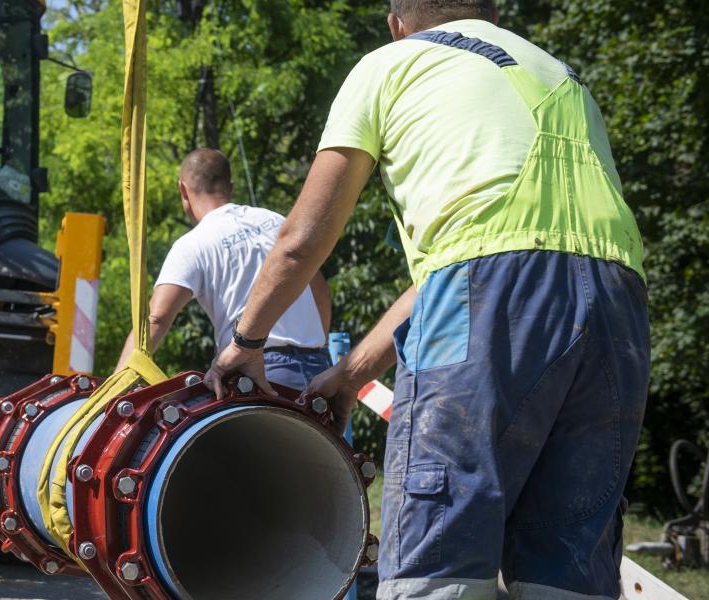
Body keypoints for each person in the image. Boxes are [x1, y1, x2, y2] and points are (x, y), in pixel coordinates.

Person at [205, 1, 649, 599]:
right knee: (567, 563)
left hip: (490, 293)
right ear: (491, 12)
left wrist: (245, 340)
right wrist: (351, 372)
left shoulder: (391, 64)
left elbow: (301, 241)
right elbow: (491, 260)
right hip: (617, 305)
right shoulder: (560, 74)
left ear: (397, 23)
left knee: (439, 558)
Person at [117, 148, 332, 390]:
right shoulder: (276, 221)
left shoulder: (193, 244)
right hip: (318, 369)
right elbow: (321, 293)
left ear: (183, 190)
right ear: (230, 187)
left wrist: (116, 385)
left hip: (257, 372)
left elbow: (156, 318)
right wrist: (315, 351)